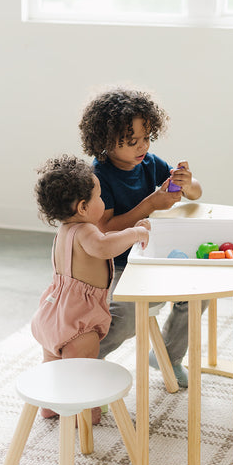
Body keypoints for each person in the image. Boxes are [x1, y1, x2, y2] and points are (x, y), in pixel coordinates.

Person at [79, 86, 204, 387]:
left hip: (153, 252)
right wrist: (149, 204)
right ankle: (86, 360)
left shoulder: (150, 162)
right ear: (106, 143)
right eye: (131, 142)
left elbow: (196, 194)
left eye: (146, 138)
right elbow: (105, 229)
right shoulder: (100, 176)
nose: (142, 147)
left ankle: (168, 355)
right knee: (125, 317)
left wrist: (188, 184)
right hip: (120, 263)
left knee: (199, 292)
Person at [31, 154, 149, 422]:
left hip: (53, 312)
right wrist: (136, 234)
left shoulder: (66, 230)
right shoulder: (86, 231)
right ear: (83, 207)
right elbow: (105, 245)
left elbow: (101, 242)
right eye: (99, 197)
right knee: (83, 372)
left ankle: (49, 407)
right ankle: (87, 415)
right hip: (79, 322)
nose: (103, 202)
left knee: (53, 365)